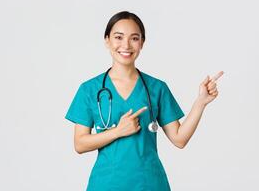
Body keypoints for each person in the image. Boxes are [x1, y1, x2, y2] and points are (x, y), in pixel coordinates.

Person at [65, 11, 223, 191]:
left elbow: (179, 139)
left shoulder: (157, 88)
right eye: (118, 37)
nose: (126, 45)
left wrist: (200, 102)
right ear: (107, 40)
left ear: (142, 43)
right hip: (106, 184)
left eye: (134, 38)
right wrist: (118, 131)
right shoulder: (89, 89)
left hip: (150, 184)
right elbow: (80, 144)